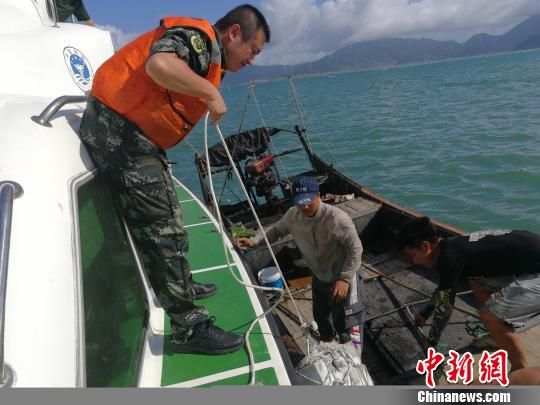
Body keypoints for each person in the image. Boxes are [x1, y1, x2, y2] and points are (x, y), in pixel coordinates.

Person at [79, 5, 270, 355]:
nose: (251, 60)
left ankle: (181, 285)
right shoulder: (197, 40)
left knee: (174, 222)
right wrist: (211, 94)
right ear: (234, 34)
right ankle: (189, 328)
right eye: (253, 51)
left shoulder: (209, 54)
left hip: (137, 140)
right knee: (163, 231)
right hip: (119, 135)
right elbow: (159, 64)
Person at [397, 216, 540, 371]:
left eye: (413, 255)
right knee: (476, 282)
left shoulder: (450, 258)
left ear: (425, 246)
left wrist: (431, 341)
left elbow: (445, 308)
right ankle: (496, 335)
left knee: (489, 316)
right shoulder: (452, 245)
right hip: (530, 264)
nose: (414, 262)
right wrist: (425, 313)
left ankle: (520, 370)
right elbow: (444, 290)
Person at [235, 176, 365, 346]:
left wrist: (345, 278)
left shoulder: (338, 219)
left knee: (348, 324)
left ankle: (354, 358)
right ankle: (328, 344)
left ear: (318, 195)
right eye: (299, 202)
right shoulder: (293, 215)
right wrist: (255, 241)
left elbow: (356, 249)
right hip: (319, 274)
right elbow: (277, 230)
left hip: (343, 276)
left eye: (308, 202)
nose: (304, 206)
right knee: (321, 318)